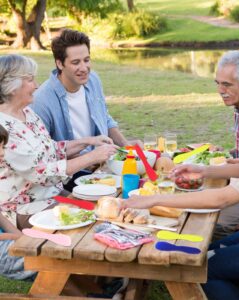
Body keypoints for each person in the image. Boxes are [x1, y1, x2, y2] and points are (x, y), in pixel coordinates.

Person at [124, 58, 239, 299]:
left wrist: (153, 200)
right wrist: (204, 171)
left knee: (200, 267)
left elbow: (222, 198)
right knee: (210, 250)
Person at [0, 54, 118, 227]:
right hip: (25, 208)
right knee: (92, 223)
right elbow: (43, 174)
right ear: (12, 87)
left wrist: (88, 142)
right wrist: (92, 157)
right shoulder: (4, 128)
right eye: (31, 80)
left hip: (53, 196)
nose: (37, 85)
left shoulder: (27, 113)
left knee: (104, 212)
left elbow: (50, 149)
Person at [32, 29, 140, 148]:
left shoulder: (93, 80)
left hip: (103, 161)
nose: (84, 68)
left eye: (86, 60)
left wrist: (126, 145)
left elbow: (104, 118)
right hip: (73, 165)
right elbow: (44, 152)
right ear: (60, 64)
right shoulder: (41, 101)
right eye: (76, 62)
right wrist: (90, 159)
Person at [213, 50, 239, 238]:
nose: (220, 90)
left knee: (212, 219)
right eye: (218, 83)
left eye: (227, 84)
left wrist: (201, 169)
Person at [0, 125, 36, 280]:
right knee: (49, 260)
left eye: (2, 147)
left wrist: (19, 235)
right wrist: (16, 239)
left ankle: (102, 292)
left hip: (7, 239)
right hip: (3, 249)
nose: (2, 153)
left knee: (54, 252)